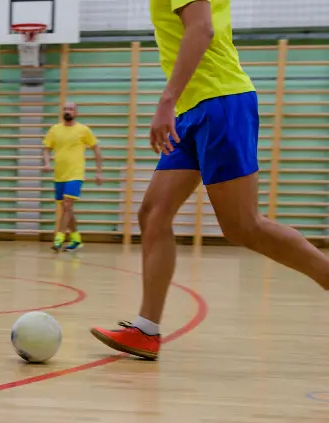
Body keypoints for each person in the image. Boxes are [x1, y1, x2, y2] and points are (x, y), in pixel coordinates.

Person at [91, 0, 329, 360]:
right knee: (153, 214)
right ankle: (146, 330)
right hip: (192, 110)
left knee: (243, 225)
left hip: (220, 101)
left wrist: (166, 99)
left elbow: (201, 28)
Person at [42, 101, 103, 252]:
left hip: (76, 173)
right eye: (65, 109)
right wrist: (47, 163)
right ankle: (76, 239)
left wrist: (99, 171)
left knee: (68, 204)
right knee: (66, 208)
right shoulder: (54, 130)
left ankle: (59, 238)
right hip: (59, 175)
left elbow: (96, 149)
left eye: (70, 109)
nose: (67, 111)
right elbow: (46, 149)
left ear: (76, 112)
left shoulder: (83, 130)